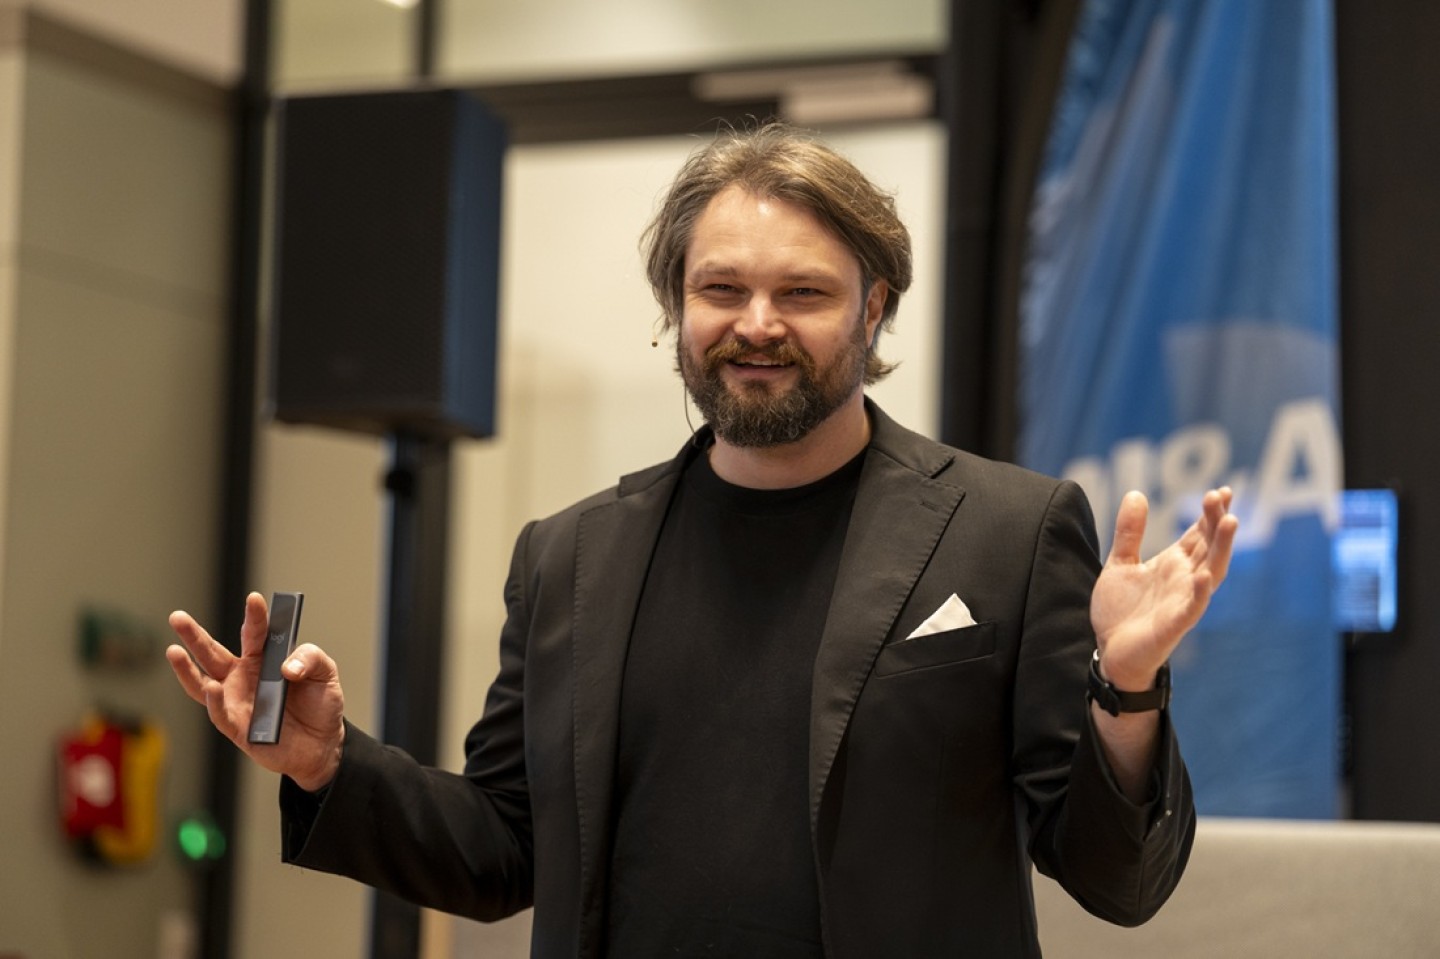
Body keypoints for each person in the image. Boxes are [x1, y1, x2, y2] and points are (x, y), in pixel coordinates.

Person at [167, 122, 1237, 958]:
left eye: (804, 291)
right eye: (721, 288)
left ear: (874, 308)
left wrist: (1127, 689)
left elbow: (1117, 879)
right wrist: (329, 764)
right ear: (676, 306)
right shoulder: (567, 559)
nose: (756, 322)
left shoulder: (1007, 530)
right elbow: (504, 849)